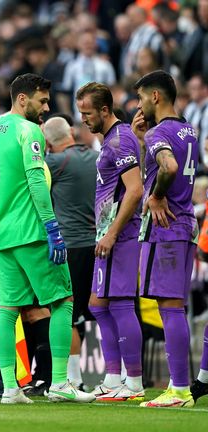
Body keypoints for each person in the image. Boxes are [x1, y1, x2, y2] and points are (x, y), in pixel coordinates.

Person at [0, 73, 96, 404]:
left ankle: (11, 388)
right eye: (42, 101)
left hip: (2, 238)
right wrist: (52, 228)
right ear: (23, 99)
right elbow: (35, 181)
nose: (46, 107)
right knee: (62, 301)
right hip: (33, 233)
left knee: (7, 309)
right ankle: (59, 382)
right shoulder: (29, 132)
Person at [73, 82, 145, 401]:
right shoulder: (113, 140)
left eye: (87, 113)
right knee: (97, 304)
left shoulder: (119, 140)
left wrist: (114, 231)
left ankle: (134, 382)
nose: (84, 120)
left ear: (105, 110)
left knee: (119, 304)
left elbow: (135, 190)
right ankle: (114, 377)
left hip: (121, 236)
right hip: (107, 235)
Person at [133, 70, 199, 408]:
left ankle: (179, 389)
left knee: (170, 308)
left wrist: (157, 197)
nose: (140, 104)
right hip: (185, 225)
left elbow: (168, 167)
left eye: (142, 97)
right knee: (174, 306)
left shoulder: (161, 131)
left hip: (167, 227)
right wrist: (144, 142)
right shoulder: (190, 130)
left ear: (155, 97)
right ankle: (180, 386)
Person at [42, 115, 99, 393]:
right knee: (102, 310)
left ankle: (74, 378)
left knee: (68, 311)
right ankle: (123, 375)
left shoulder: (54, 163)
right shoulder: (95, 157)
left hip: (71, 246)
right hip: (99, 245)